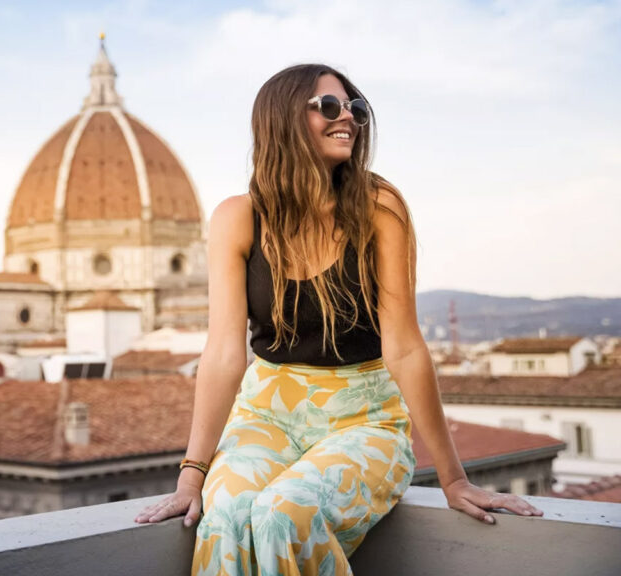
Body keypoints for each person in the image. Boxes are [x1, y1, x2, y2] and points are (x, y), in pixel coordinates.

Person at [133, 63, 544, 576]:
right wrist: (192, 475)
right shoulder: (237, 217)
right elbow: (221, 353)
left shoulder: (378, 206)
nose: (346, 116)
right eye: (328, 106)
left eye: (355, 108)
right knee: (228, 516)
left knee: (286, 513)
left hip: (364, 419)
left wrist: (453, 479)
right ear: (281, 121)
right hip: (266, 417)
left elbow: (405, 347)